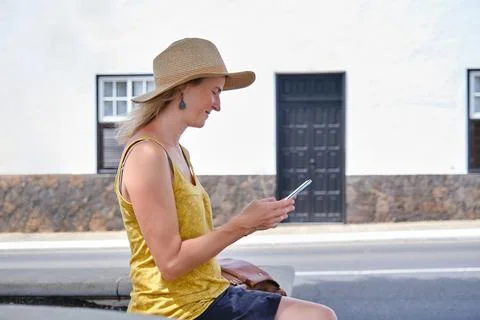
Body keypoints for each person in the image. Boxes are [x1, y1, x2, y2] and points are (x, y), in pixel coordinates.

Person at [114, 38, 337, 320]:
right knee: (317, 317)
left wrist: (250, 222)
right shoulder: (147, 154)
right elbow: (170, 263)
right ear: (184, 87)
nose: (217, 105)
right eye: (214, 92)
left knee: (317, 314)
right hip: (178, 311)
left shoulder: (177, 151)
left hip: (209, 296)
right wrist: (243, 224)